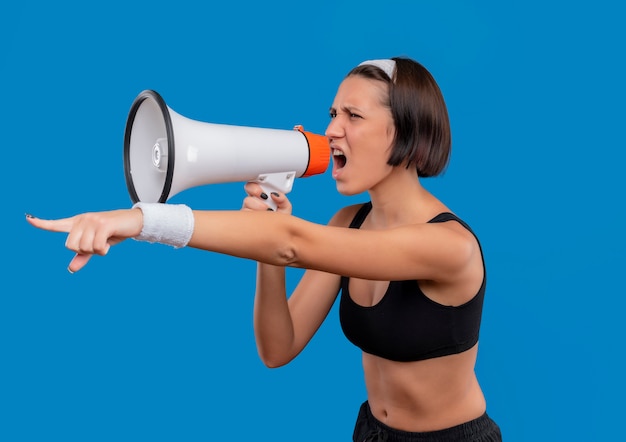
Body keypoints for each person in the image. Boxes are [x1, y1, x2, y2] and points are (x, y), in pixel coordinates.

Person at [26, 57, 502, 441]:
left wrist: (138, 220)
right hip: (371, 433)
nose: (331, 130)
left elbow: (291, 244)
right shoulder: (349, 223)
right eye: (333, 113)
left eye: (353, 116)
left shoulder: (448, 245)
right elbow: (278, 347)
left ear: (406, 132)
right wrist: (267, 242)